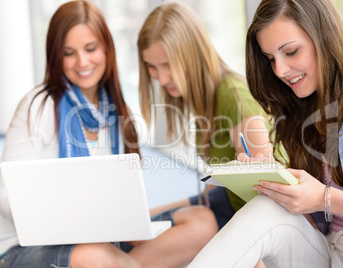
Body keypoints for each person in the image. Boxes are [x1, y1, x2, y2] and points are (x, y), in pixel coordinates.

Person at [0, 1, 217, 267]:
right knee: (95, 254)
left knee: (201, 221)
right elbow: (6, 193)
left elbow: (120, 196)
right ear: (56, 55)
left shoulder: (116, 110)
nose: (82, 62)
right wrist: (75, 221)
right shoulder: (38, 106)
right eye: (69, 53)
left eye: (91, 49)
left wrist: (127, 222)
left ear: (106, 48)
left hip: (104, 235)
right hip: (29, 247)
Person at [188, 0, 343, 267]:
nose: (279, 71)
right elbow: (313, 221)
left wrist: (325, 198)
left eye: (290, 51)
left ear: (327, 33)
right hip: (326, 250)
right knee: (267, 209)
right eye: (270, 59)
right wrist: (273, 185)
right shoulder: (300, 108)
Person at [137, 1, 275, 234]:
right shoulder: (201, 96)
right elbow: (222, 188)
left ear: (193, 55)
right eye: (152, 67)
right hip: (227, 202)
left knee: (178, 227)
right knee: (143, 224)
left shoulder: (233, 96)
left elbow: (267, 193)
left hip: (252, 217)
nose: (161, 78)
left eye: (168, 65)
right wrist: (146, 215)